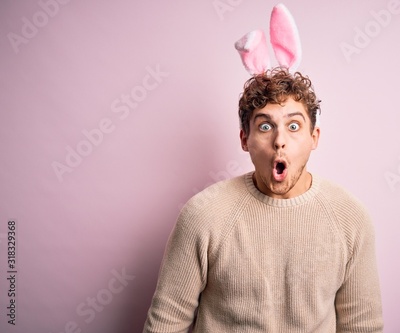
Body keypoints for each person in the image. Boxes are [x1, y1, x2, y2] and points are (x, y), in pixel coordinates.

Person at [142, 68, 384, 332]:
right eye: (265, 126)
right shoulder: (203, 215)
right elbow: (166, 323)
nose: (279, 141)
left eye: (294, 126)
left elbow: (362, 325)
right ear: (245, 139)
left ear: (313, 138)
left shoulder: (350, 218)